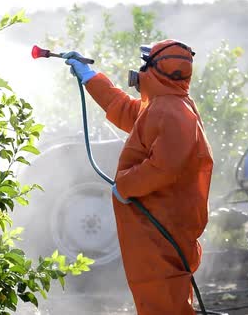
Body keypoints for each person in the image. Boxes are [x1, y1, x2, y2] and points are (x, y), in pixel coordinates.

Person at [63, 39, 213, 315]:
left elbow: (164, 167)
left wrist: (125, 186)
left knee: (163, 302)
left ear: (157, 69)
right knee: (160, 298)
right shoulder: (165, 104)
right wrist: (91, 78)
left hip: (161, 225)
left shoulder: (172, 111)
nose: (140, 68)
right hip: (158, 223)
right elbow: (127, 110)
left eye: (146, 62)